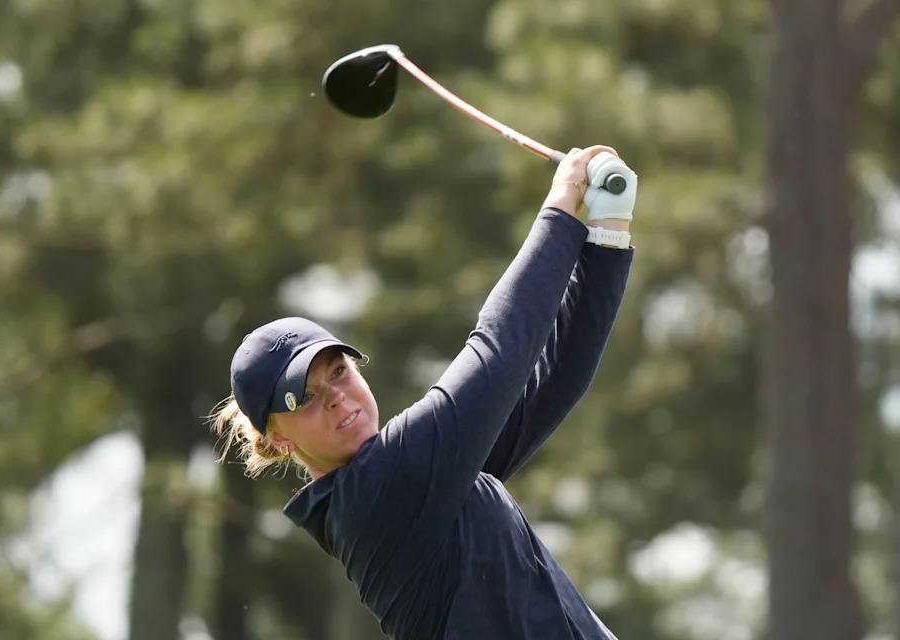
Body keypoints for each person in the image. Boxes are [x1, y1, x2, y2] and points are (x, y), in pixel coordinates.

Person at [211, 145, 637, 639]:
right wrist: (563, 201)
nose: (335, 396)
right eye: (302, 398)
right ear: (279, 439)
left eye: (338, 371)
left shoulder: (422, 483)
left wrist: (609, 233)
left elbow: (554, 380)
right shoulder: (375, 492)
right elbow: (499, 351)